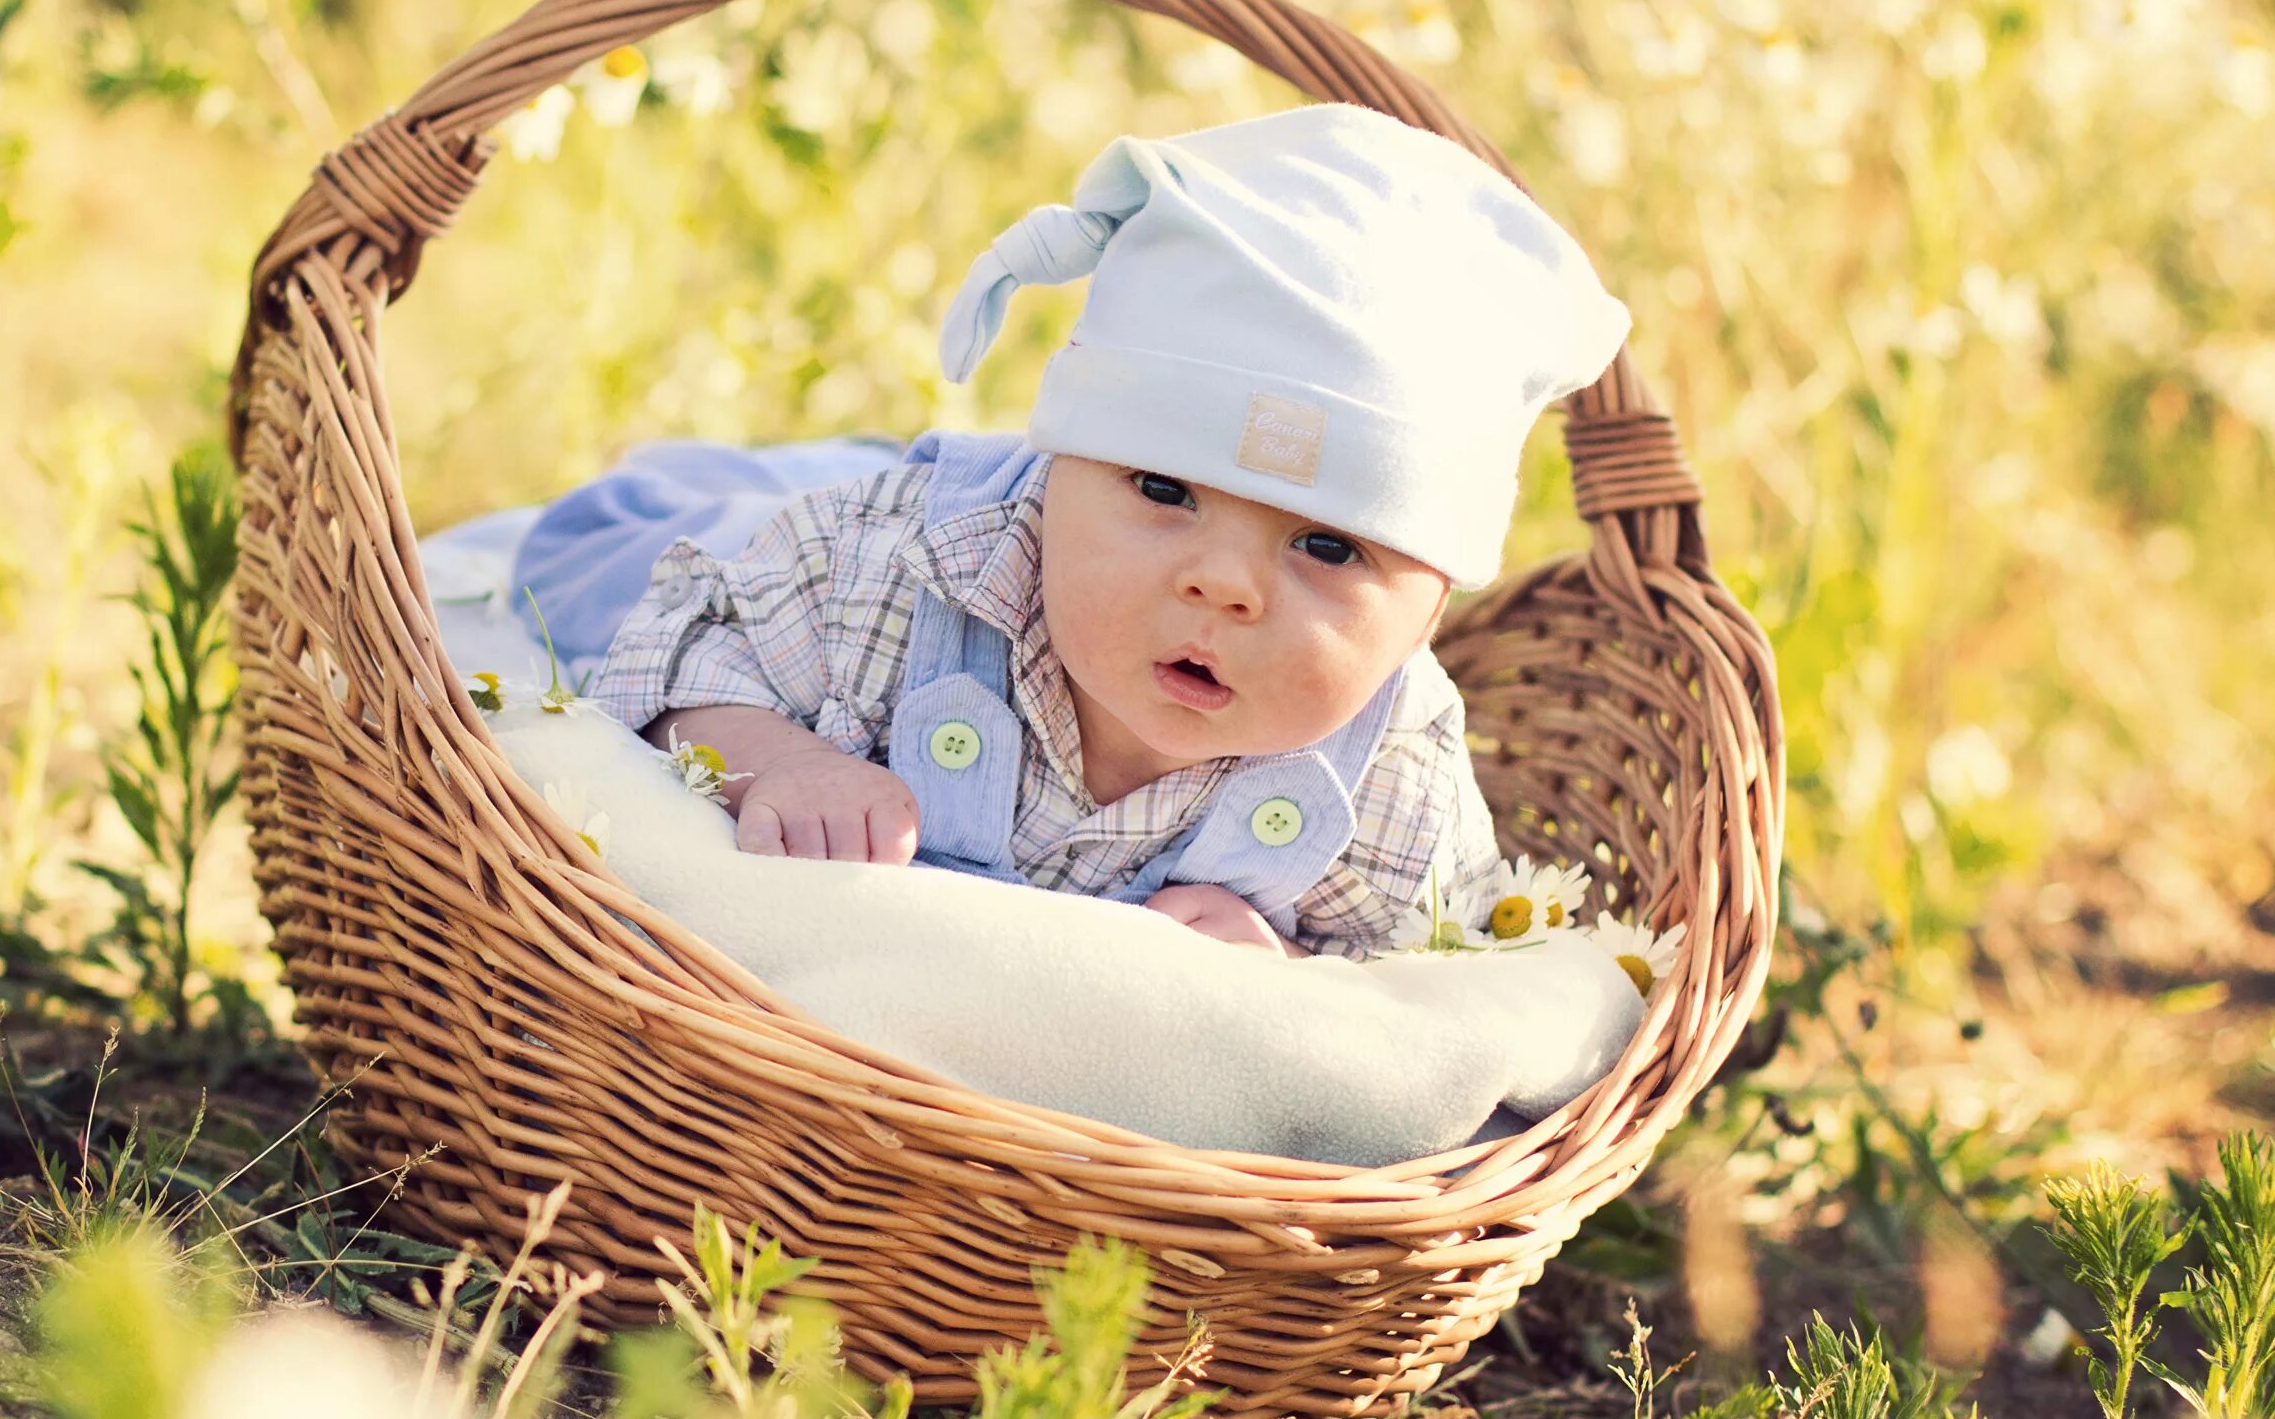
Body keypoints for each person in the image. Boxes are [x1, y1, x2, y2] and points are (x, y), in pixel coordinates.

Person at [510, 102, 1632, 957]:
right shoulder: (900, 572)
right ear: (1060, 469)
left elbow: (1432, 996)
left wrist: (1286, 970)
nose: (1226, 585)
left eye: (1330, 546)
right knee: (613, 553)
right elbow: (679, 648)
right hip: (821, 535)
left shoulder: (1396, 784)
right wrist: (777, 759)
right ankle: (807, 467)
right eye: (1162, 488)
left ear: (1434, 604)